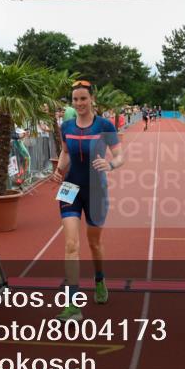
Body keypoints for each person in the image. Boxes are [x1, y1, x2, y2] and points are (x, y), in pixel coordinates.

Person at [49, 80, 124, 321]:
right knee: (71, 245)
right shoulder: (66, 125)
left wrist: (110, 164)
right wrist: (59, 170)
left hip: (96, 190)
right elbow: (66, 151)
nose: (79, 103)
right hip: (70, 186)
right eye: (75, 99)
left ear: (91, 99)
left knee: (94, 245)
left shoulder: (104, 125)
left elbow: (120, 155)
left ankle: (99, 280)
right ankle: (73, 305)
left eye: (83, 98)